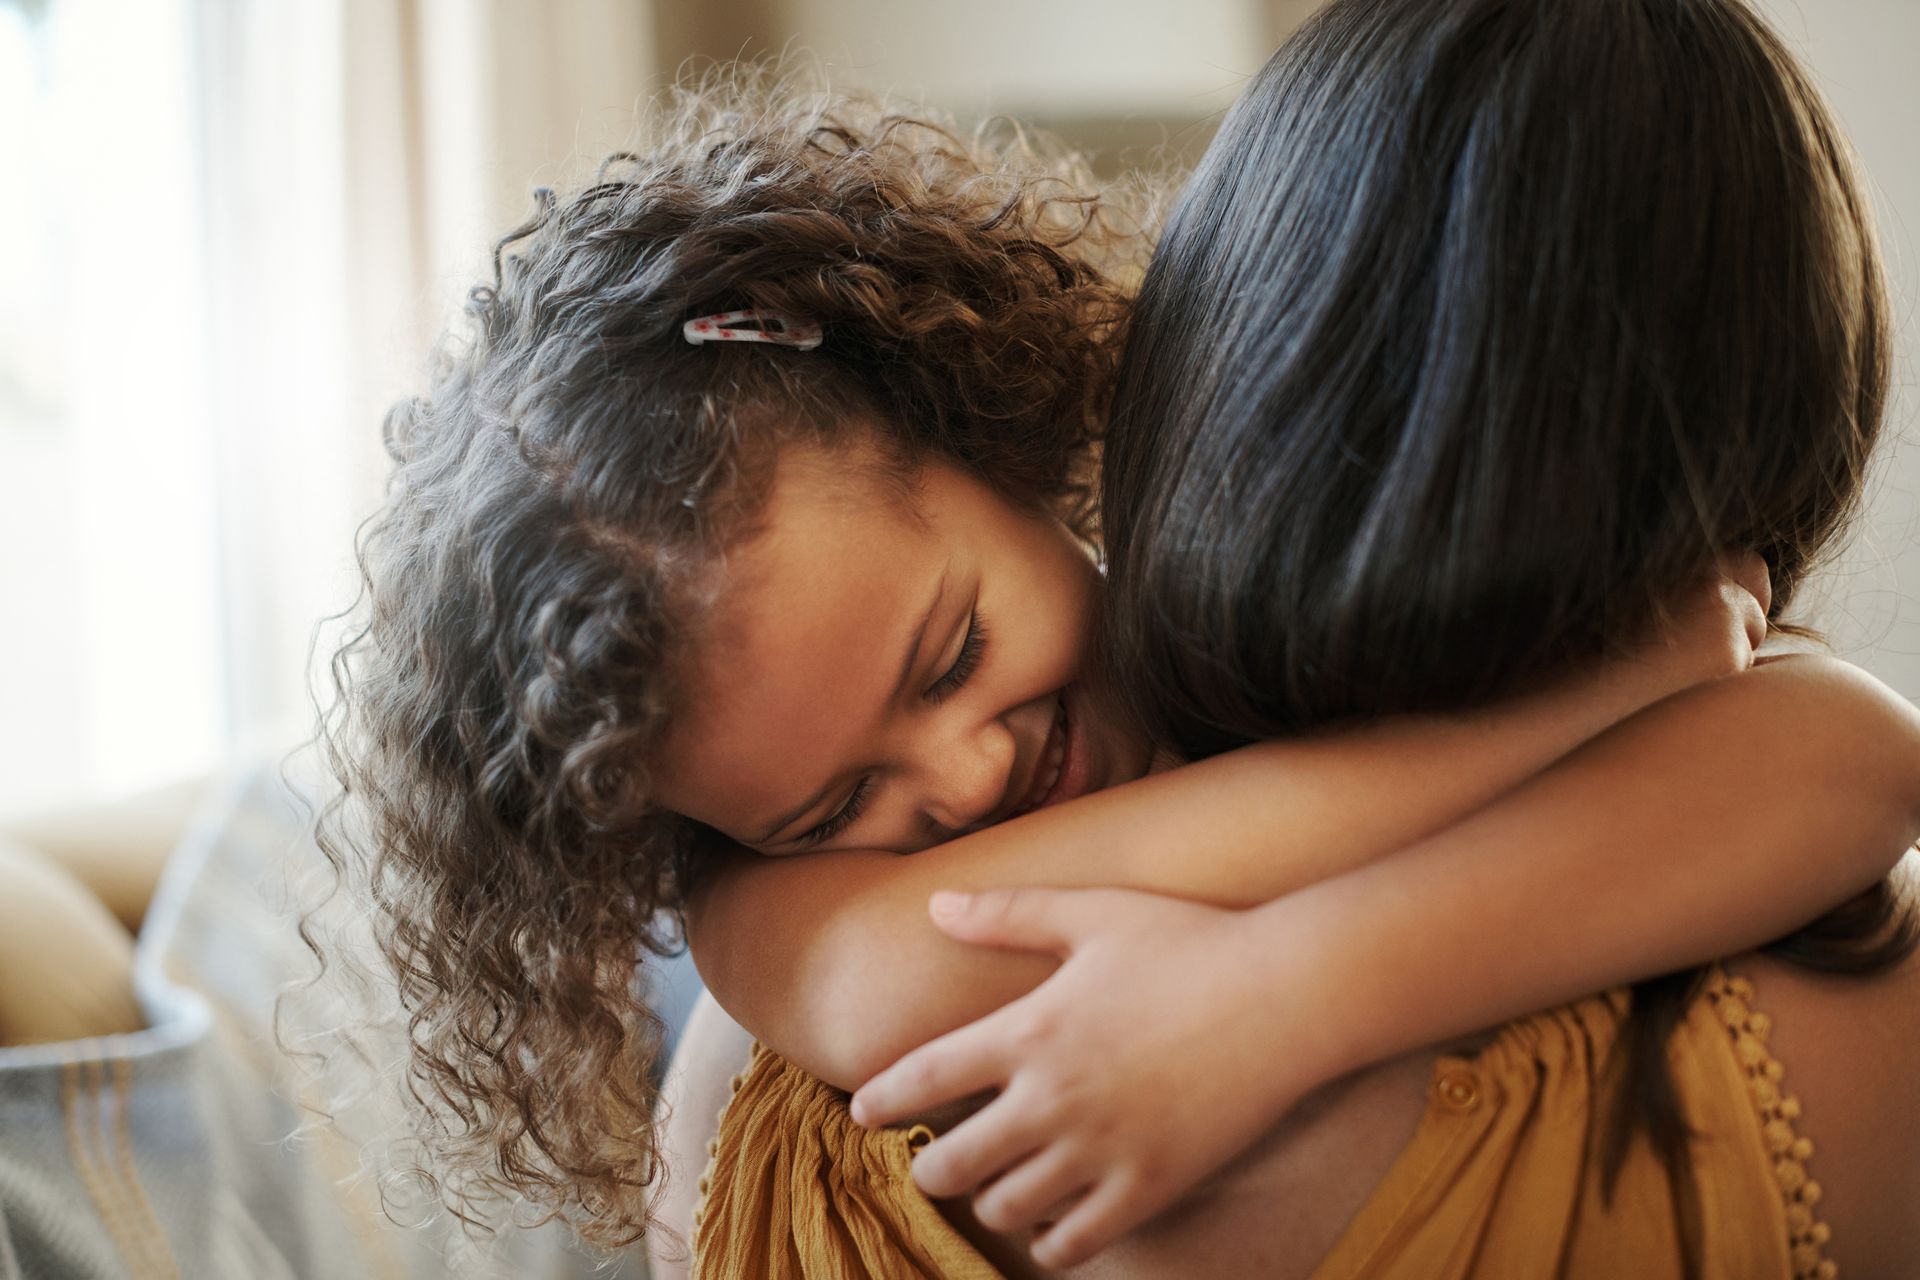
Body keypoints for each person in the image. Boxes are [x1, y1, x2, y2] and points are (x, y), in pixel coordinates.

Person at [322, 44, 1915, 1280]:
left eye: (948, 656)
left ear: (987, 434)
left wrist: (1288, 990)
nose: (963, 778)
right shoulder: (788, 937)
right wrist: (1596, 712)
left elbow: (1857, 756)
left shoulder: (1264, 611)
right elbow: (890, 969)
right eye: (826, 810)